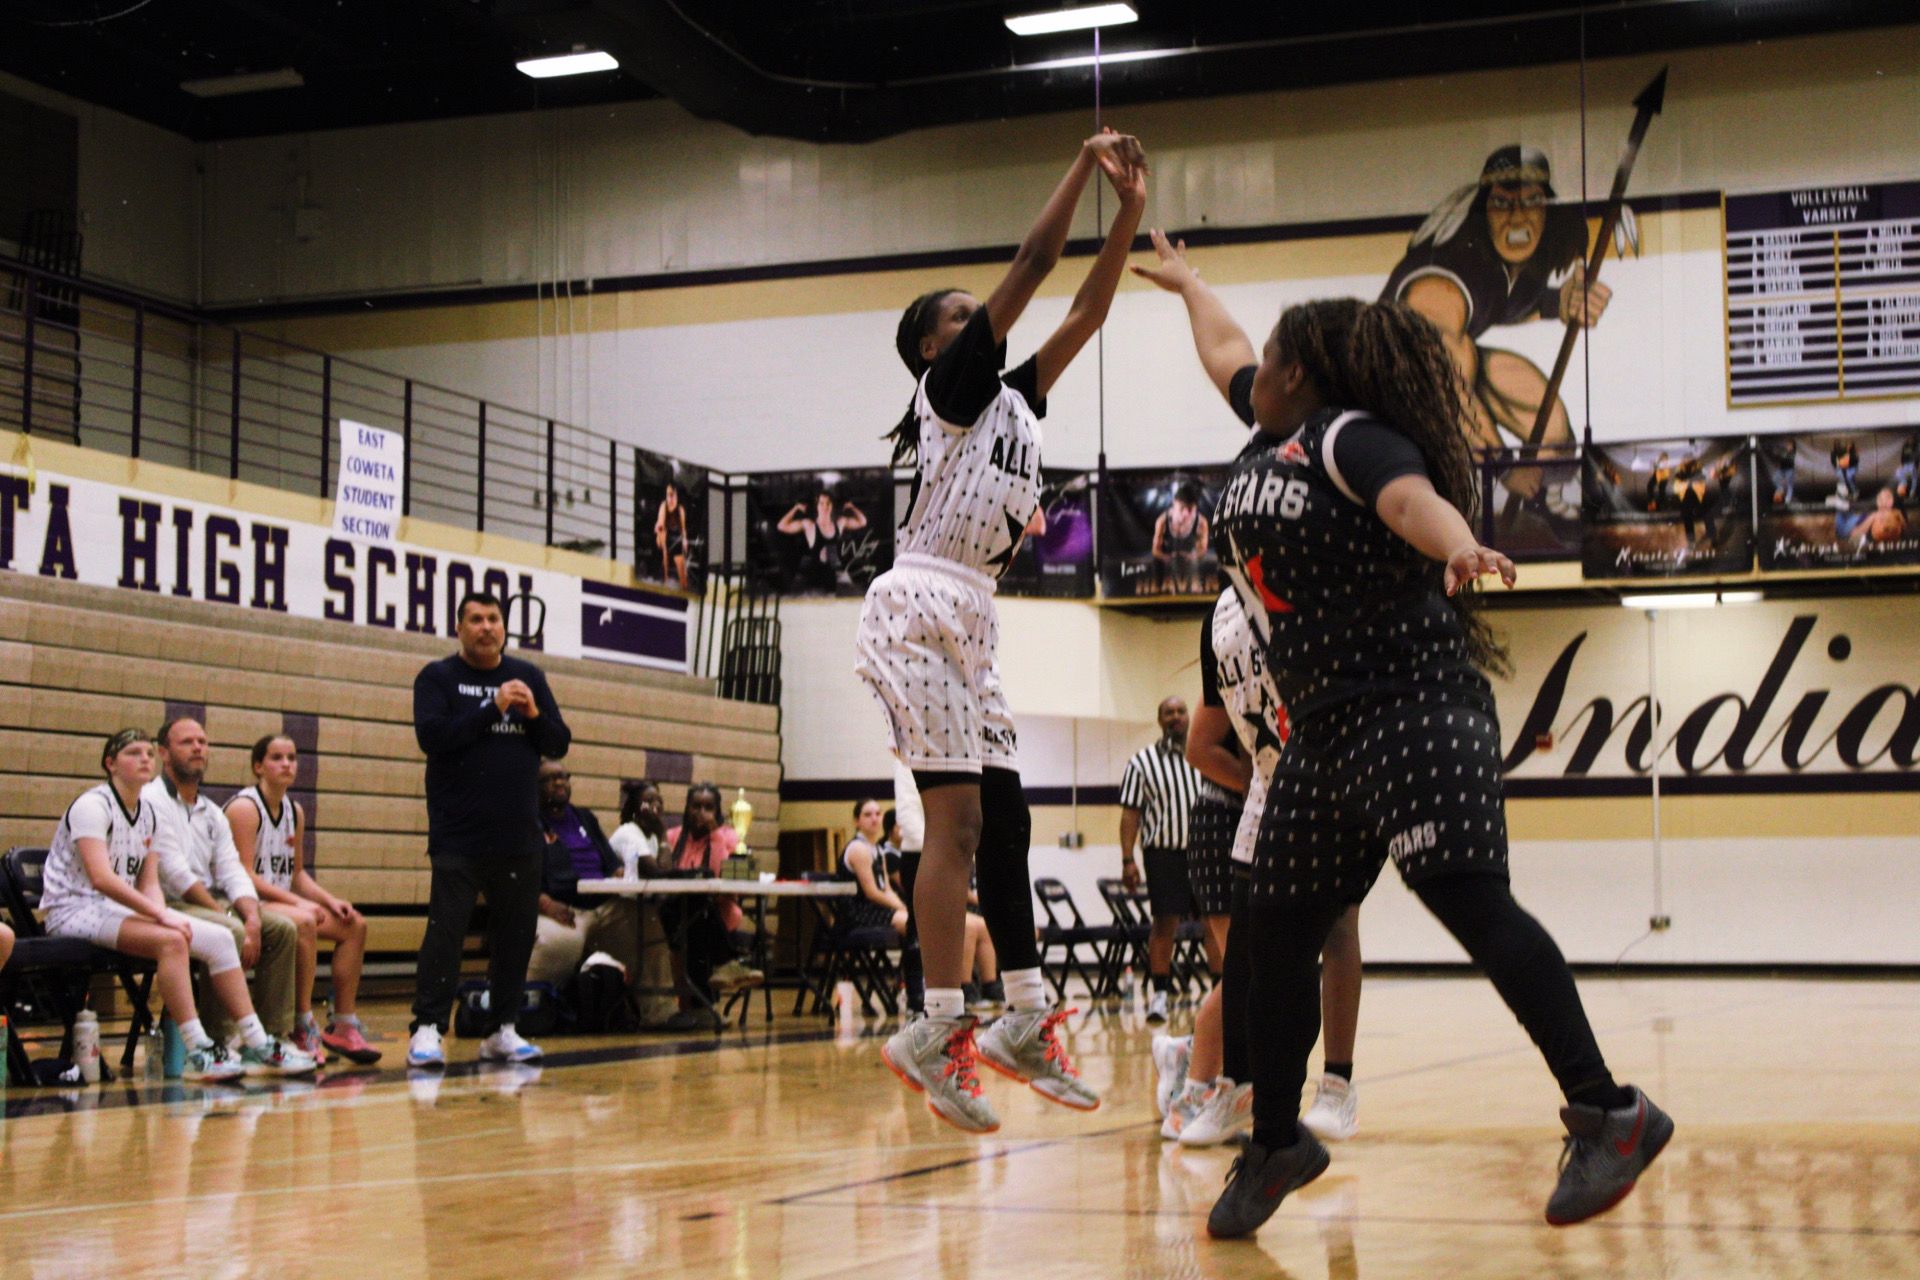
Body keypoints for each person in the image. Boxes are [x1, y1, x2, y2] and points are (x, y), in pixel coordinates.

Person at [1131, 264, 1672, 1235]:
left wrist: (1459, 545)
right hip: (1322, 730)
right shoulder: (1266, 431)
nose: (1254, 369)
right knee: (1274, 937)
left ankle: (1610, 1111)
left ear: (1298, 372)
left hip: (1411, 704)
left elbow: (1410, 500)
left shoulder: (1348, 436)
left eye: (1270, 358)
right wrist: (1188, 282)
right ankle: (1277, 1140)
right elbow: (1223, 348)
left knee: (1470, 902)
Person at [860, 126, 1147, 1133]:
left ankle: (1023, 1014)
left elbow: (1086, 308)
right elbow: (1033, 265)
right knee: (956, 826)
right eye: (959, 315)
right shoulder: (946, 393)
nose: (977, 317)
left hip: (972, 613)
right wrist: (1082, 166)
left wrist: (1131, 212)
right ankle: (936, 1024)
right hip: (918, 604)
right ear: (933, 347)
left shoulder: (1014, 403)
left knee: (1007, 821)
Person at [41, 729, 314, 1081]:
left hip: (114, 910)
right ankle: (198, 1048)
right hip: (73, 909)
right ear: (110, 764)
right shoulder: (92, 806)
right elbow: (102, 879)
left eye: (147, 753)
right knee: (172, 941)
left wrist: (164, 914)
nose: (144, 759)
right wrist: (161, 915)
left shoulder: (149, 813)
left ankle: (259, 1042)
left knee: (218, 937)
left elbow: (149, 883)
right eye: (133, 753)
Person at [1381, 146, 1617, 514]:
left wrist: (1561, 303)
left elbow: (1507, 306)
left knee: (1549, 422)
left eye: (1532, 201)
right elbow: (1440, 375)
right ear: (1484, 211)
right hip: (1392, 394)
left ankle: (1543, 504)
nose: (1518, 217)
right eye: (1503, 204)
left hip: (1441, 377)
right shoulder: (1442, 280)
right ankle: (1464, 508)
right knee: (1460, 359)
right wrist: (1503, 466)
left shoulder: (1508, 265)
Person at [409, 590, 571, 1068]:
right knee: (446, 934)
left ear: (504, 627)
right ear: (459, 628)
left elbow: (559, 741)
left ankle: (503, 1028)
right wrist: (493, 707)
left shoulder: (529, 677)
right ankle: (427, 1029)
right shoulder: (438, 678)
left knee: (515, 936)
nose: (486, 627)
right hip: (459, 834)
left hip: (518, 836)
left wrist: (533, 715)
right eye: (476, 619)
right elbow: (434, 738)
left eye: (494, 619)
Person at [144, 717, 304, 1058]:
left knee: (282, 930)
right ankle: (221, 1036)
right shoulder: (151, 800)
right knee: (228, 930)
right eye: (187, 742)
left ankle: (273, 1035)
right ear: (163, 753)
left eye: (202, 742)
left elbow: (233, 870)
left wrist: (253, 917)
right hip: (164, 903)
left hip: (207, 901)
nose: (197, 748)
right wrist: (227, 916)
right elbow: (176, 875)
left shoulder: (212, 812)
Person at [226, 733, 380, 1065]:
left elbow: (296, 874)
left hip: (276, 901)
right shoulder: (244, 808)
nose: (287, 764)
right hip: (242, 903)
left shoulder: (294, 811)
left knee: (354, 925)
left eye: (292, 758)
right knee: (305, 920)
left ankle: (343, 1023)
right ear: (258, 766)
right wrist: (298, 903)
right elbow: (243, 874)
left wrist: (329, 899)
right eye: (277, 758)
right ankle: (301, 1022)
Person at [842, 799, 998, 1013]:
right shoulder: (858, 848)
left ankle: (989, 986)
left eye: (878, 813)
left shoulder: (875, 849)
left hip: (883, 910)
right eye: (868, 815)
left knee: (975, 923)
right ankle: (931, 988)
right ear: (856, 821)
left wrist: (903, 908)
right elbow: (872, 893)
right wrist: (905, 910)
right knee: (920, 926)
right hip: (861, 913)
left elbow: (886, 889)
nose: (875, 819)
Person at [1118, 697, 1211, 1025]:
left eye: (1181, 711)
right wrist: (1128, 859)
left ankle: (1221, 990)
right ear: (1160, 720)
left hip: (1204, 851)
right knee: (1164, 924)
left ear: (1189, 717)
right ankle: (1160, 994)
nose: (1176, 717)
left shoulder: (1204, 756)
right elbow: (1130, 814)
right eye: (1169, 712)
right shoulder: (1141, 762)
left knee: (1214, 922)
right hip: (1163, 853)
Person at [527, 761, 642, 994]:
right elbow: (520, 880)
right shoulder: (529, 823)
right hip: (561, 909)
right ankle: (533, 1004)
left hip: (604, 905)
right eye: (551, 779)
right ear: (534, 786)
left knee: (646, 925)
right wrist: (546, 904)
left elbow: (612, 865)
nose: (560, 782)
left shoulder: (585, 818)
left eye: (564, 776)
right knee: (561, 943)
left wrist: (621, 875)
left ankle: (656, 1008)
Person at [659, 783, 762, 1028]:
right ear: (687, 808)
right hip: (681, 913)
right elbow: (665, 875)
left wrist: (714, 834)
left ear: (717, 811)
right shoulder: (674, 836)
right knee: (691, 910)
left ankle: (701, 1007)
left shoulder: (728, 836)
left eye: (708, 807)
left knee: (699, 906)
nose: (701, 813)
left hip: (718, 911)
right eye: (696, 806)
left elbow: (718, 876)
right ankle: (726, 964)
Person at [778, 491, 868, 592]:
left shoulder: (839, 523)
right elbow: (781, 526)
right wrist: (796, 508)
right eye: (821, 503)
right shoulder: (809, 525)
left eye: (828, 503)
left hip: (835, 574)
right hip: (815, 575)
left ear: (832, 505)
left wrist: (851, 507)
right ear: (817, 506)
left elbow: (862, 522)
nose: (825, 506)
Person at [1152, 482, 1210, 594]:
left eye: (1190, 509)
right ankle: (1158, 591)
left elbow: (1203, 550)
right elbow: (1155, 551)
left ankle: (1197, 591)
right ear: (1174, 503)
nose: (1186, 514)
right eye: (1182, 508)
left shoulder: (1201, 522)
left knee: (1200, 565)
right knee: (1156, 562)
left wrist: (1192, 557)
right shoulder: (1162, 521)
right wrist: (1167, 558)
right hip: (1168, 560)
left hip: (1190, 562)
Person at [608, 780, 666, 876]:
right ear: (636, 808)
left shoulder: (653, 837)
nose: (657, 805)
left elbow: (667, 872)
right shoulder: (628, 833)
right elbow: (657, 874)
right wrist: (663, 836)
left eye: (659, 800)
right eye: (650, 801)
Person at [655, 480, 691, 589]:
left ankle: (683, 582)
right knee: (663, 534)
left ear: (677, 496)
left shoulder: (680, 510)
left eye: (673, 495)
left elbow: (683, 529)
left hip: (675, 538)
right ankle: (665, 577)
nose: (670, 499)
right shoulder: (663, 506)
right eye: (668, 495)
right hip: (662, 537)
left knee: (681, 562)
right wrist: (658, 528)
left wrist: (684, 541)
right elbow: (660, 524)